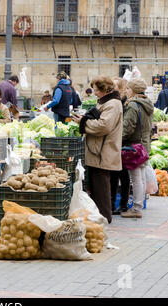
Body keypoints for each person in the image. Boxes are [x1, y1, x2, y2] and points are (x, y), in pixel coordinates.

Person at [71, 76, 123, 224]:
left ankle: (104, 219)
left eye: (97, 90)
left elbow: (103, 126)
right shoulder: (108, 102)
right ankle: (99, 218)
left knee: (101, 189)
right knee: (97, 187)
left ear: (105, 89)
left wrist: (83, 122)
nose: (95, 93)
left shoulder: (112, 104)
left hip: (103, 151)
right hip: (99, 150)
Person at [120, 78, 154, 219]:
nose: (126, 91)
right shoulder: (147, 103)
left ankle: (136, 209)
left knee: (136, 178)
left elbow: (127, 127)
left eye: (128, 88)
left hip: (134, 145)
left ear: (133, 90)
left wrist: (117, 140)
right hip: (144, 143)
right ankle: (138, 206)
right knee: (140, 177)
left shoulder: (133, 105)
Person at [110, 77, 130, 215]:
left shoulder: (122, 103)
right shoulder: (118, 101)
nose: (112, 87)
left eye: (115, 85)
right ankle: (118, 204)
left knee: (121, 174)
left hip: (121, 143)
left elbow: (126, 125)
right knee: (119, 174)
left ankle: (121, 204)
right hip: (119, 142)